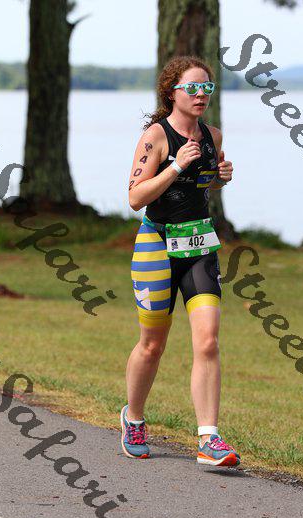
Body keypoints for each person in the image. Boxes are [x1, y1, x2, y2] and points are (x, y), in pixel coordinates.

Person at [121, 55, 240, 467]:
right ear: (172, 93)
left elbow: (201, 186)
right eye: (192, 87)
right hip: (156, 244)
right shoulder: (156, 137)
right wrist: (175, 166)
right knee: (153, 344)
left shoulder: (213, 136)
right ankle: (134, 418)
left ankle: (209, 438)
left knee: (207, 340)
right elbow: (136, 197)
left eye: (207, 87)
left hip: (199, 244)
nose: (201, 94)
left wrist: (220, 176)